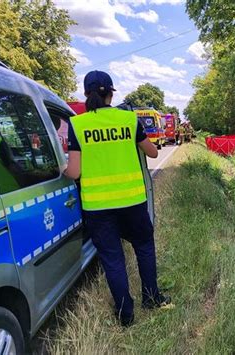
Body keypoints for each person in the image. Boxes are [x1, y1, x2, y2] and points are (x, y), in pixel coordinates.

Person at [63, 70, 171, 327]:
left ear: (87, 94)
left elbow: (74, 172)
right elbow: (153, 153)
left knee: (113, 259)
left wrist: (62, 170)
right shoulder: (129, 119)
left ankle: (125, 314)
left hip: (98, 208)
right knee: (144, 248)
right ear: (111, 93)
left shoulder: (77, 125)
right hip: (132, 202)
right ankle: (151, 298)